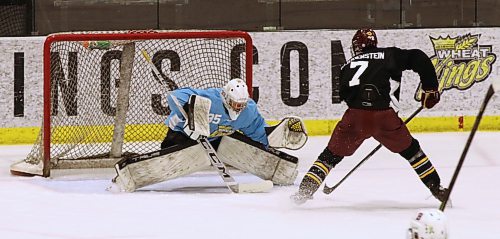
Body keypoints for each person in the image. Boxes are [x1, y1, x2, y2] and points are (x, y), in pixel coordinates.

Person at [291, 29, 447, 204]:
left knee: (330, 156)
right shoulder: (388, 55)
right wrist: (430, 88)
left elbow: (344, 95)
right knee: (412, 152)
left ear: (356, 47)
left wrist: (364, 114)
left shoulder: (346, 66)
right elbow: (419, 57)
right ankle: (437, 188)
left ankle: (304, 192)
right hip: (385, 117)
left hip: (356, 118)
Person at [112, 78, 308, 192]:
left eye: (241, 104)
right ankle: (131, 167)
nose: (238, 108)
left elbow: (257, 133)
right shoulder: (210, 98)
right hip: (182, 134)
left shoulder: (248, 112)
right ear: (225, 98)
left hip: (214, 140)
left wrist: (273, 135)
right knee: (167, 157)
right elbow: (174, 97)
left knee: (237, 141)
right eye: (234, 104)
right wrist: (190, 114)